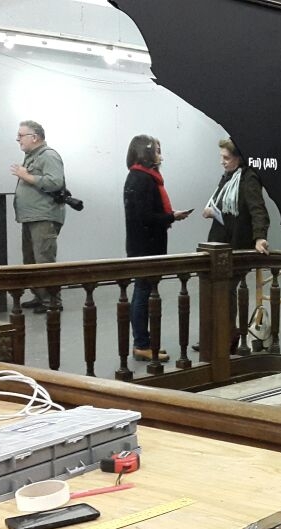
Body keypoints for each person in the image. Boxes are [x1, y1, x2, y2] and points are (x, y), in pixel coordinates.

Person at [124, 135, 192, 362]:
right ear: (146, 152)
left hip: (144, 245)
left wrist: (169, 216)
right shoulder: (142, 179)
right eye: (157, 150)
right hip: (145, 247)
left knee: (143, 291)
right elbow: (145, 217)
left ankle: (143, 341)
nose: (160, 154)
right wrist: (171, 216)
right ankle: (141, 344)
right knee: (143, 293)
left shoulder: (141, 176)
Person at [200, 138, 271, 350]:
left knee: (226, 291)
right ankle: (216, 335)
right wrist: (212, 212)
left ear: (239, 158)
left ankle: (227, 335)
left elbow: (258, 210)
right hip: (220, 244)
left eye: (226, 158)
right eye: (221, 157)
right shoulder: (228, 176)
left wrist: (260, 237)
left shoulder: (248, 178)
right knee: (216, 291)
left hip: (236, 245)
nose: (222, 161)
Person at [11, 120, 67, 314]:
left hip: (43, 217)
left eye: (21, 135)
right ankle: (40, 296)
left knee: (44, 260)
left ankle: (52, 301)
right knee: (31, 260)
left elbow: (55, 182)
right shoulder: (32, 157)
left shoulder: (48, 156)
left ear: (34, 137)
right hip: (31, 217)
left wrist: (26, 176)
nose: (18, 139)